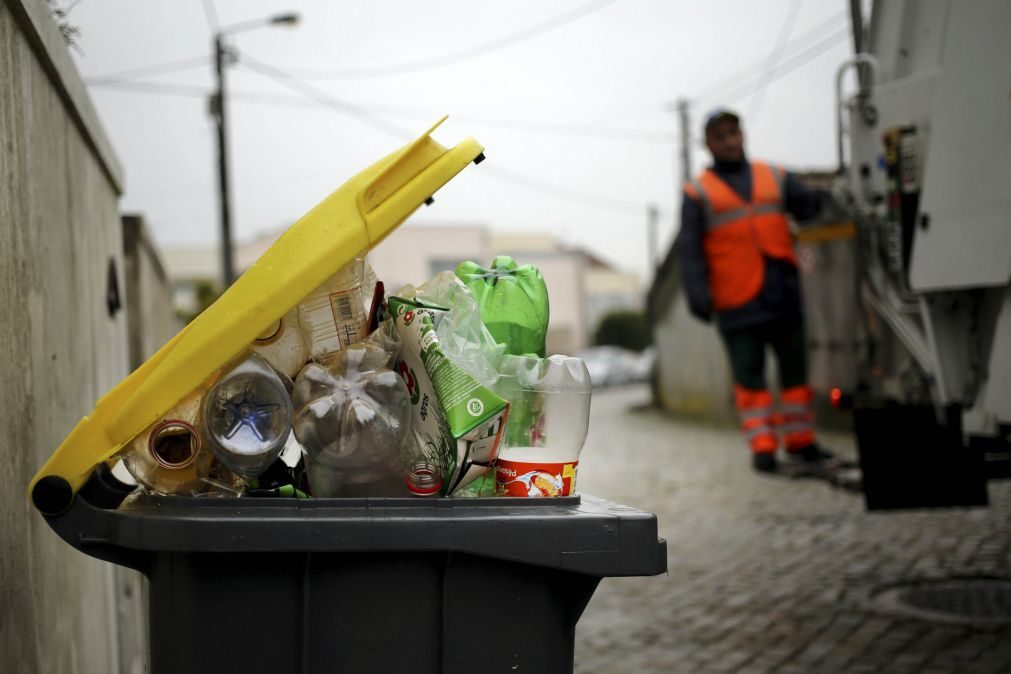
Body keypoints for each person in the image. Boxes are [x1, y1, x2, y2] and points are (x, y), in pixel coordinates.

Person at [676, 108, 831, 474]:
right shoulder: (697, 192)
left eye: (734, 132)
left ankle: (800, 442)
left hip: (783, 293)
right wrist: (698, 295)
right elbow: (689, 250)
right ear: (708, 144)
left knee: (795, 377)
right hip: (736, 301)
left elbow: (806, 205)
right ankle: (763, 448)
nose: (730, 141)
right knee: (751, 381)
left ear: (742, 134)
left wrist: (823, 200)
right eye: (721, 136)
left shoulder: (774, 176)